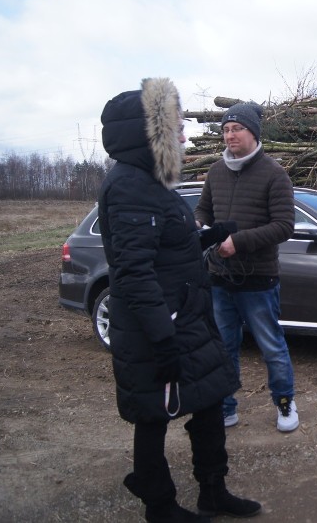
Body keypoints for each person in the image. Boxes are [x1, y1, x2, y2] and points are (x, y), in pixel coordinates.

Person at [97, 78, 262, 522]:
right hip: (159, 325)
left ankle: (213, 491)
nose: (185, 134)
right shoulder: (129, 185)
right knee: (153, 415)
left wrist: (207, 235)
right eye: (176, 126)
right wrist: (162, 336)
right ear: (148, 133)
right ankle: (160, 506)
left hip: (186, 316)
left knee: (209, 402)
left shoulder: (152, 183)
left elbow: (165, 245)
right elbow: (133, 270)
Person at [194, 101, 299, 433]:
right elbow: (203, 211)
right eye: (225, 129)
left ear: (253, 131)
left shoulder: (274, 174)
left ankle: (285, 404)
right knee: (223, 347)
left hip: (259, 280)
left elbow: (284, 226)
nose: (229, 135)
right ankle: (227, 407)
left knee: (271, 346)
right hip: (219, 278)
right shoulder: (215, 172)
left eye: (236, 128)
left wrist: (238, 242)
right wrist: (199, 226)